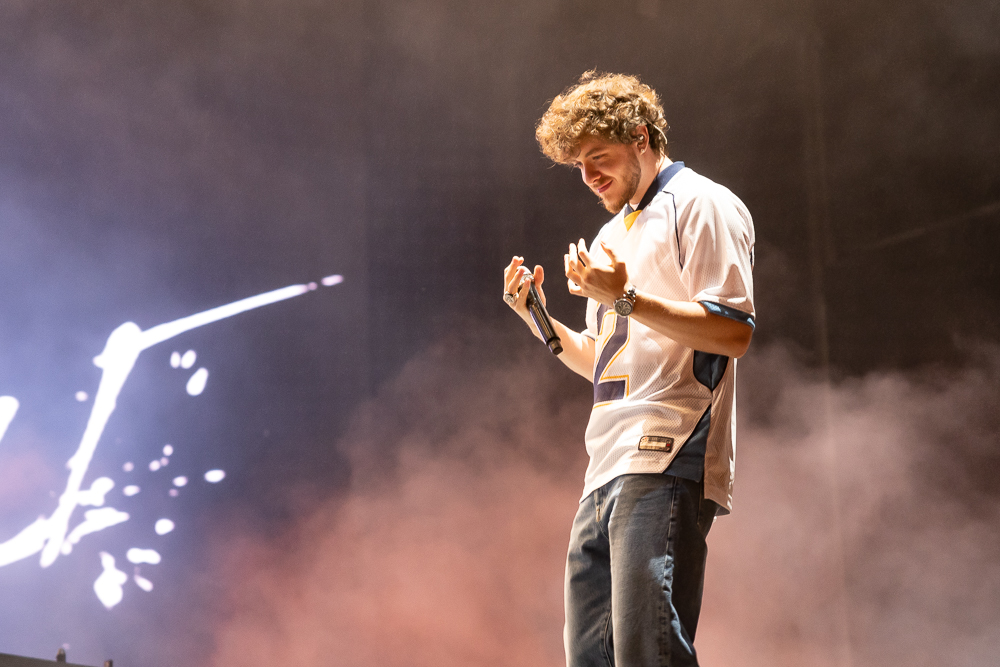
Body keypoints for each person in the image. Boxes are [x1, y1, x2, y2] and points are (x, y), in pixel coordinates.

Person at [503, 71, 755, 666]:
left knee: (648, 653)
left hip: (668, 452)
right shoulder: (609, 234)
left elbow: (734, 332)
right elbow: (606, 359)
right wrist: (539, 319)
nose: (589, 176)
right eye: (578, 165)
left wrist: (625, 298)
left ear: (641, 136)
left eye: (599, 157)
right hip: (604, 464)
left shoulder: (703, 203)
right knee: (590, 657)